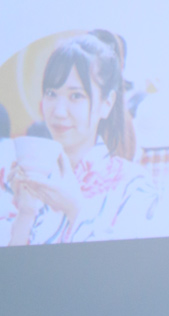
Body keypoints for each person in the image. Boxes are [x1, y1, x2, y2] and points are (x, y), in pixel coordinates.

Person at [4, 31, 157, 246]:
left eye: (76, 96)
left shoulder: (135, 185)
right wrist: (26, 212)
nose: (58, 111)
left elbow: (129, 263)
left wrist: (75, 209)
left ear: (107, 103)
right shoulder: (34, 179)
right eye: (51, 93)